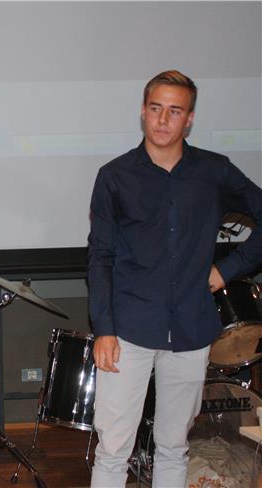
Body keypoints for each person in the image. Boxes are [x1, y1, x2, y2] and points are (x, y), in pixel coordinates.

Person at [88, 70, 262, 487]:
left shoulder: (214, 171)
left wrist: (227, 269)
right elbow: (100, 256)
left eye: (174, 111)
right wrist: (104, 329)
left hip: (190, 329)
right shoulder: (115, 176)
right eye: (155, 108)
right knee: (113, 449)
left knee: (173, 446)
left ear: (189, 119)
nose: (163, 120)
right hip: (128, 330)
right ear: (143, 112)